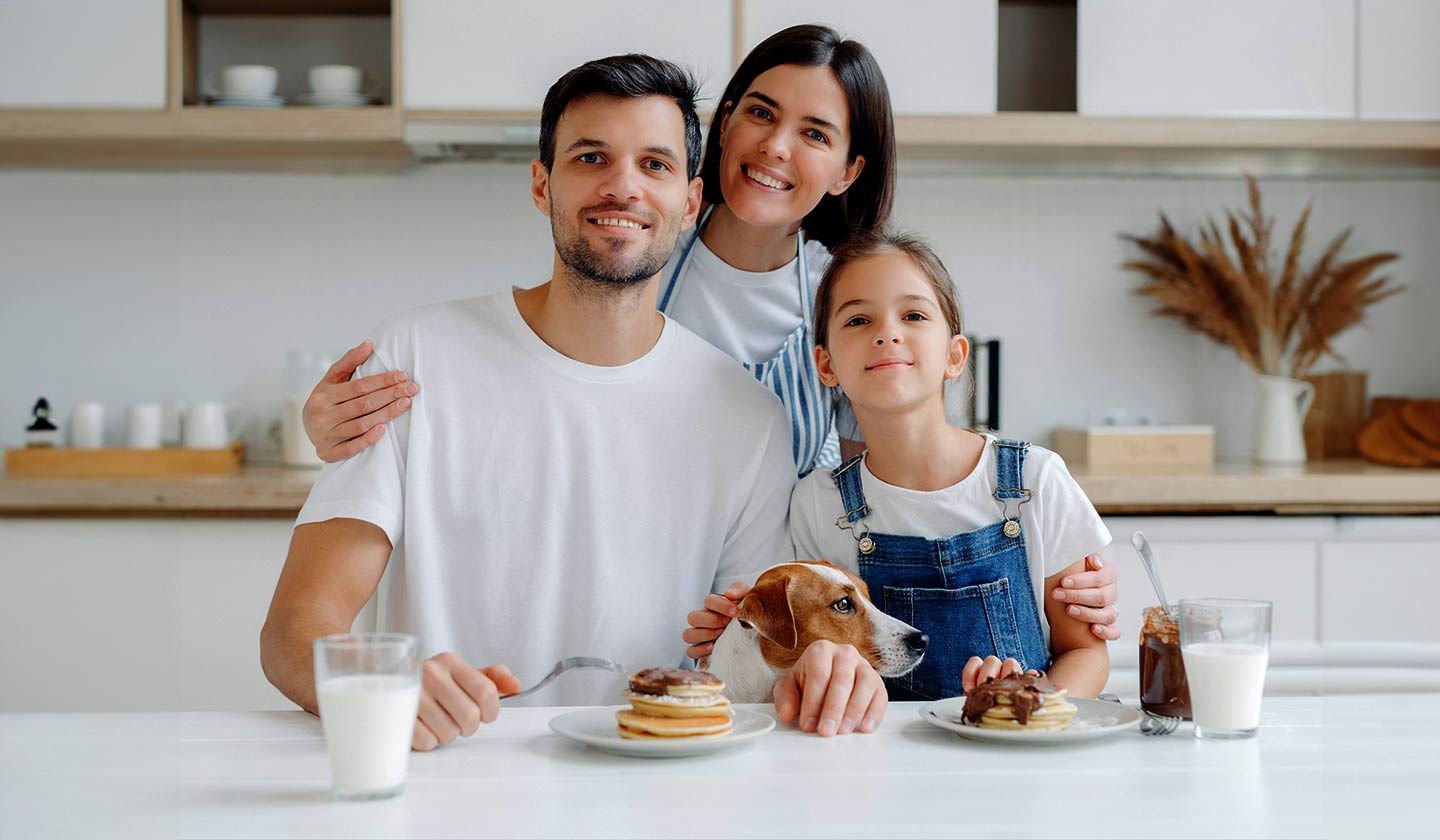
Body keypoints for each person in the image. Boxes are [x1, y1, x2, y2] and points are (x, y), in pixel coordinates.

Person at [299, 24, 1123, 640]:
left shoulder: (852, 301)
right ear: (721, 128)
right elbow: (514, 384)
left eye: (816, 133)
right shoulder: (628, 254)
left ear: (848, 171)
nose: (774, 146)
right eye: (760, 113)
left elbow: (916, 477)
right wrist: (342, 429)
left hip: (783, 626)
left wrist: (1037, 568)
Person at [261, 54, 802, 751]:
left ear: (691, 202)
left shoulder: (746, 418)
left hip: (655, 785)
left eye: (655, 165)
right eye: (591, 157)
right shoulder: (414, 357)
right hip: (445, 782)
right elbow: (296, 626)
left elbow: (749, 666)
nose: (623, 187)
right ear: (543, 184)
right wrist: (379, 689)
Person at [688, 230, 1110, 735]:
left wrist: (1033, 708)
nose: (887, 333)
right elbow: (800, 657)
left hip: (1019, 765)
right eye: (859, 320)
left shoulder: (1035, 481)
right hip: (873, 769)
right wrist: (739, 630)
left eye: (913, 315)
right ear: (826, 365)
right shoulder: (817, 504)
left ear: (955, 354)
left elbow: (1087, 651)